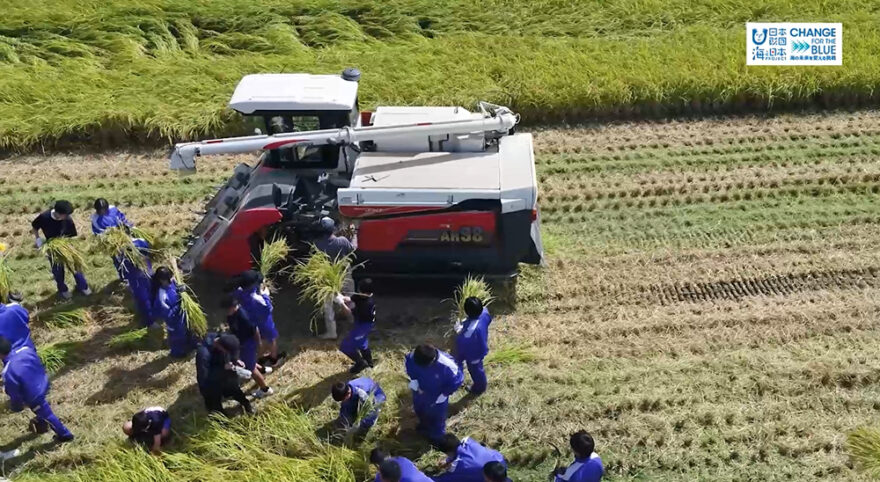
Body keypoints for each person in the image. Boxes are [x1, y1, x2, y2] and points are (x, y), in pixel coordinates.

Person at [0, 336, 73, 442]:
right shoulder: (25, 350)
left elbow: (14, 394)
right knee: (43, 410)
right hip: (43, 382)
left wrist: (16, 407)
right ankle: (41, 422)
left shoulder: (8, 372)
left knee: (48, 415)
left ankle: (65, 435)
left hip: (33, 396)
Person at [405, 344, 464, 445]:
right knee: (420, 410)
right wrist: (414, 381)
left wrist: (444, 394)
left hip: (437, 396)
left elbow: (457, 380)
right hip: (419, 391)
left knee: (437, 418)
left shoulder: (447, 365)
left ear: (432, 361)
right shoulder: (414, 356)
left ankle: (437, 439)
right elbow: (410, 367)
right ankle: (423, 427)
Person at [31, 200, 91, 299]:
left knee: (75, 267)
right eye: (65, 215)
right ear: (58, 213)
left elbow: (72, 236)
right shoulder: (44, 217)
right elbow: (34, 227)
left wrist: (71, 248)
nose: (67, 216)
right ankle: (63, 289)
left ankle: (83, 287)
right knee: (58, 270)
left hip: (67, 245)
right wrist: (38, 239)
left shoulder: (68, 220)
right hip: (52, 248)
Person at [222, 295, 273, 399]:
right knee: (249, 361)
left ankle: (265, 389)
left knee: (251, 368)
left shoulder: (243, 316)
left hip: (248, 343)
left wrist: (259, 343)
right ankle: (263, 370)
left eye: (227, 309)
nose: (226, 311)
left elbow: (255, 330)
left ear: (233, 307)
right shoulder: (231, 315)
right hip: (241, 343)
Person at [313, 217, 355, 340]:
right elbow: (352, 250)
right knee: (349, 301)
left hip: (327, 279)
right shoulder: (342, 241)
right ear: (333, 229)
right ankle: (354, 324)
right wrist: (353, 235)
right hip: (344, 276)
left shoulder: (317, 244)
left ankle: (332, 332)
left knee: (328, 306)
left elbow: (315, 261)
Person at [231, 270, 284, 367]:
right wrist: (265, 294)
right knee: (272, 340)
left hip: (251, 321)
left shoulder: (239, 291)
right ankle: (274, 359)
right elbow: (269, 308)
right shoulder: (258, 298)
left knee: (259, 340)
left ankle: (260, 359)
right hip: (265, 323)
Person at [195, 332, 254, 416]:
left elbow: (232, 352)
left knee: (234, 389)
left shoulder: (224, 338)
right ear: (220, 347)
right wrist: (223, 368)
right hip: (211, 383)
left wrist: (236, 360)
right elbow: (205, 377)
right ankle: (222, 421)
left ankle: (246, 404)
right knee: (214, 405)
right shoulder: (204, 354)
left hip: (225, 375)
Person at [151, 267, 197, 357]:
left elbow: (179, 289)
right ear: (162, 280)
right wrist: (179, 304)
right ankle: (178, 354)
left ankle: (191, 347)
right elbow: (168, 314)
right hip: (174, 322)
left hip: (183, 315)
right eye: (170, 277)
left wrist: (183, 290)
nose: (173, 279)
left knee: (189, 331)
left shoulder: (172, 283)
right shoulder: (161, 296)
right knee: (178, 338)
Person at [453, 297, 493, 396]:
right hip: (480, 345)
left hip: (474, 353)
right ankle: (479, 385)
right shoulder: (484, 312)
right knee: (477, 368)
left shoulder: (470, 332)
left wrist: (458, 330)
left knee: (476, 370)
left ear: (467, 311)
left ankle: (480, 388)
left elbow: (463, 343)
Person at [338, 278, 376, 373]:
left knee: (345, 346)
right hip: (360, 323)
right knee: (362, 343)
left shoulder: (367, 304)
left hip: (364, 326)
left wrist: (341, 303)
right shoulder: (360, 296)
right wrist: (341, 297)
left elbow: (349, 314)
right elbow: (350, 299)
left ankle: (360, 363)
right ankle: (369, 362)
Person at [433, 434, 507, 482]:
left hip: (491, 474)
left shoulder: (460, 467)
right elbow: (460, 452)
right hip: (499, 461)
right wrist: (448, 460)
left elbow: (444, 479)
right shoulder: (469, 442)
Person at [90, 198, 133, 280]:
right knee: (118, 259)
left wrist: (126, 226)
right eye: (100, 210)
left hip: (124, 234)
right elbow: (98, 233)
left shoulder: (113, 209)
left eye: (104, 210)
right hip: (112, 242)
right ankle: (124, 277)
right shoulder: (95, 219)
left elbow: (121, 217)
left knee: (130, 253)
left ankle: (133, 272)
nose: (103, 212)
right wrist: (110, 235)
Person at [122, 238, 154, 326]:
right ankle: (151, 319)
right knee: (148, 295)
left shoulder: (124, 247)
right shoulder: (142, 240)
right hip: (144, 271)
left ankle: (150, 320)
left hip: (137, 275)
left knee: (143, 299)